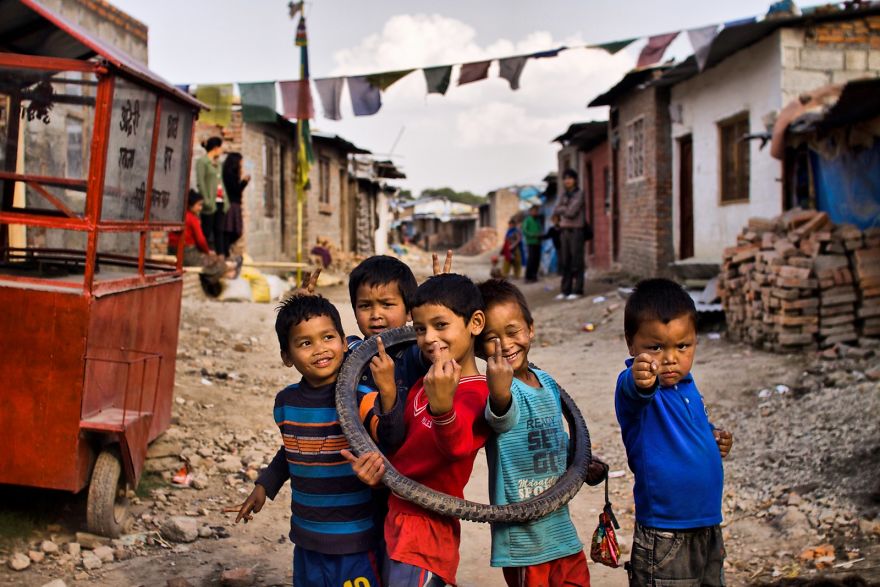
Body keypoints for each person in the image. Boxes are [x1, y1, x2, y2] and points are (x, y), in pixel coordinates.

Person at [346, 273, 490, 586]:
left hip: (428, 526)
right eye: (421, 328)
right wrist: (376, 472)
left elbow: (455, 448)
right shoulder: (423, 385)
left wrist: (442, 408)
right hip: (398, 514)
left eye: (441, 325)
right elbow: (401, 446)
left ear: (475, 323)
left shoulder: (478, 392)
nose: (427, 338)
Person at [235, 294, 382, 586]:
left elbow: (387, 452)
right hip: (306, 538)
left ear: (343, 341)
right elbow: (290, 450)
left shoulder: (361, 399)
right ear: (287, 356)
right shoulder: (286, 402)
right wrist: (265, 485)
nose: (320, 349)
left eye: (328, 337)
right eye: (305, 343)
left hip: (355, 538)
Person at [478, 278, 608, 586]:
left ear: (531, 329)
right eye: (491, 339)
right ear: (478, 347)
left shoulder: (547, 382)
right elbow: (500, 415)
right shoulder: (499, 391)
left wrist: (580, 464)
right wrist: (498, 390)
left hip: (560, 529)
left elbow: (555, 438)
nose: (506, 345)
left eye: (513, 332)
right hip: (525, 542)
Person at [615, 278, 734, 587]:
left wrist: (713, 437)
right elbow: (634, 390)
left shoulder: (687, 386)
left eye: (682, 346)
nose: (669, 358)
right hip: (666, 533)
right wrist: (639, 376)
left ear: (695, 340)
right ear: (631, 343)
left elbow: (691, 428)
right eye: (655, 347)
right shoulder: (638, 389)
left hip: (707, 523)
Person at [554, 169, 586, 300]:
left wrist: (562, 209)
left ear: (575, 180)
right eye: (565, 178)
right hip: (564, 231)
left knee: (576, 261)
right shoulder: (563, 194)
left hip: (576, 231)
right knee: (565, 262)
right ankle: (565, 290)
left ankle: (577, 290)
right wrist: (563, 209)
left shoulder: (579, 193)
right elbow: (556, 209)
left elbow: (572, 212)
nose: (567, 181)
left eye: (570, 178)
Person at [196, 137, 229, 255]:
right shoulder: (202, 162)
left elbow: (221, 183)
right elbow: (201, 182)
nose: (221, 150)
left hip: (220, 201)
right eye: (220, 147)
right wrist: (207, 200)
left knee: (219, 231)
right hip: (209, 202)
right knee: (206, 230)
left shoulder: (218, 164)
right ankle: (203, 257)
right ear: (215, 148)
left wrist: (226, 201)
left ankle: (221, 258)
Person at [168, 190, 212, 267]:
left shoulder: (178, 216)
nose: (200, 208)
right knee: (216, 262)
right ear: (191, 205)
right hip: (187, 255)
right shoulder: (192, 218)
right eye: (199, 205)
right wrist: (207, 252)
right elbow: (201, 241)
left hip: (172, 252)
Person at [222, 152, 249, 257]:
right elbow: (236, 190)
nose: (241, 165)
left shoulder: (232, 174)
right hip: (231, 204)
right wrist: (244, 182)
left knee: (234, 230)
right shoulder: (229, 174)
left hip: (234, 204)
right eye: (240, 162)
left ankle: (226, 250)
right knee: (231, 230)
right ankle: (225, 251)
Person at [522, 205, 543, 283]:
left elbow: (540, 229)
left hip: (538, 242)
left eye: (536, 211)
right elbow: (524, 230)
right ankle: (528, 277)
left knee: (537, 260)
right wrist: (532, 235)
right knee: (531, 260)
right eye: (534, 211)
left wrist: (540, 234)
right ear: (530, 212)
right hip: (531, 242)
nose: (535, 212)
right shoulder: (527, 220)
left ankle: (534, 276)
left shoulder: (537, 220)